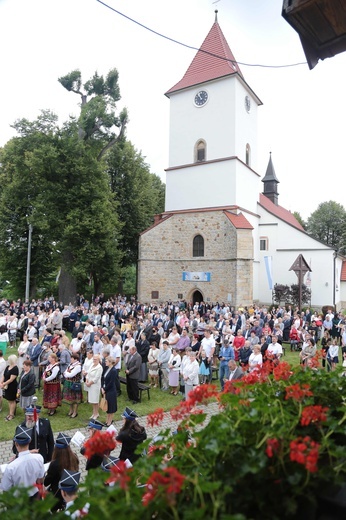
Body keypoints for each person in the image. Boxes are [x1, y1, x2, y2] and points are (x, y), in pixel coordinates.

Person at [1, 426, 45, 499]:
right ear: (30, 441)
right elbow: (40, 479)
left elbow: (6, 488)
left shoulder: (11, 467)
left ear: (16, 444)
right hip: (35, 497)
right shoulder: (39, 458)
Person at [44, 433, 79, 512]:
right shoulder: (74, 457)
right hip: (71, 491)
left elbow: (46, 482)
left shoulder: (54, 464)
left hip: (58, 494)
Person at [62, 353, 83, 419]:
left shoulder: (78, 366)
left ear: (75, 359)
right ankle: (71, 410)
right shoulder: (70, 364)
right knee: (70, 398)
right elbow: (65, 372)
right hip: (68, 382)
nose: (70, 359)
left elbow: (71, 374)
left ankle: (75, 412)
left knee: (75, 399)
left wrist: (67, 374)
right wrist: (67, 374)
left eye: (71, 358)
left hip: (75, 384)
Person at [0, 354, 19, 421]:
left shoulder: (15, 368)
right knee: (9, 400)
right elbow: (4, 375)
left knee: (12, 400)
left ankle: (12, 414)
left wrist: (4, 384)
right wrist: (1, 382)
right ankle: (10, 413)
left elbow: (11, 379)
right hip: (6, 386)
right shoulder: (8, 367)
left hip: (12, 386)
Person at [101, 356, 118, 426]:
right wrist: (102, 387)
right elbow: (103, 378)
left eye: (106, 361)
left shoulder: (114, 370)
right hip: (105, 389)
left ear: (110, 362)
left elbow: (111, 382)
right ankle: (107, 419)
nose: (105, 362)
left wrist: (104, 389)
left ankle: (110, 421)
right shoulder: (107, 368)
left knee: (111, 406)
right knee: (107, 405)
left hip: (110, 390)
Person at [85, 353, 103, 420]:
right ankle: (94, 413)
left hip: (95, 385)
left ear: (98, 360)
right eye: (93, 359)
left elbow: (96, 378)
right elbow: (88, 373)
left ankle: (96, 413)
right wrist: (87, 380)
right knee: (92, 400)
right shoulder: (92, 365)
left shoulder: (99, 367)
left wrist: (90, 383)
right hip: (90, 384)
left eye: (95, 359)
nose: (94, 360)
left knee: (95, 400)